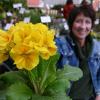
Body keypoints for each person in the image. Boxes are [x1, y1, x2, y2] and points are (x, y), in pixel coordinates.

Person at [56, 4, 100, 100]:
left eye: (87, 22)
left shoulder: (97, 46)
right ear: (71, 23)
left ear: (92, 25)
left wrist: (98, 93)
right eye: (78, 21)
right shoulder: (60, 44)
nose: (83, 26)